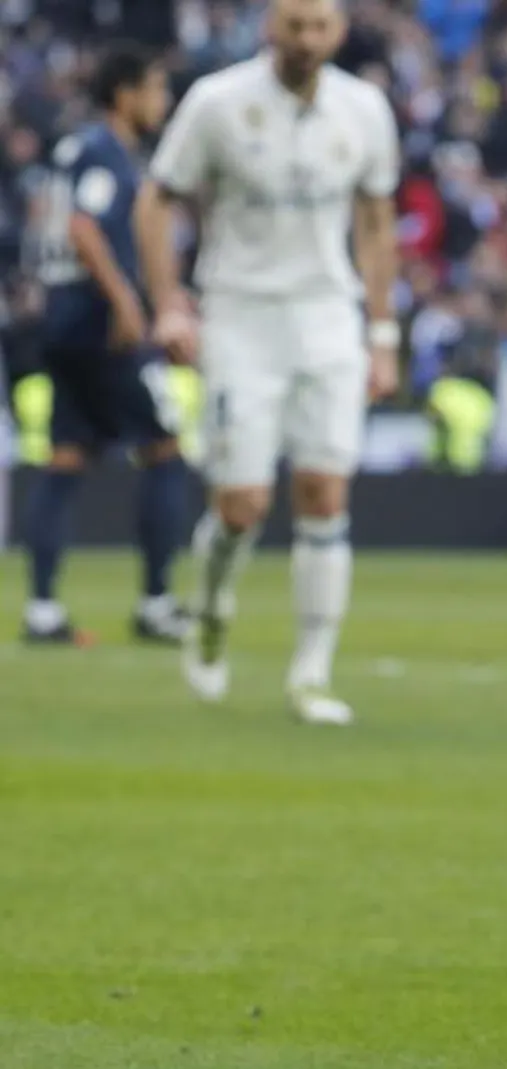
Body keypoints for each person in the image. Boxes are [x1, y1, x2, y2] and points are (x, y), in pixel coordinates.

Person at [134, 0, 401, 725]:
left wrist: (382, 333)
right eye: (294, 27)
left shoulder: (365, 108)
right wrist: (168, 302)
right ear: (269, 29)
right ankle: (213, 609)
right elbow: (155, 201)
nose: (307, 41)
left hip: (327, 315)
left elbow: (377, 223)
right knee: (242, 504)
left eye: (319, 28)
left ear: (338, 32)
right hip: (241, 316)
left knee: (323, 492)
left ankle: (311, 673)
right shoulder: (217, 103)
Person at [20, 41, 190, 647]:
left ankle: (41, 610)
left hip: (61, 320)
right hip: (98, 323)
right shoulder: (103, 153)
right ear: (126, 95)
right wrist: (125, 302)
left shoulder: (73, 149)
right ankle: (157, 603)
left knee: (65, 457)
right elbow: (84, 226)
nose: (162, 102)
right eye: (155, 89)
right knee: (166, 449)